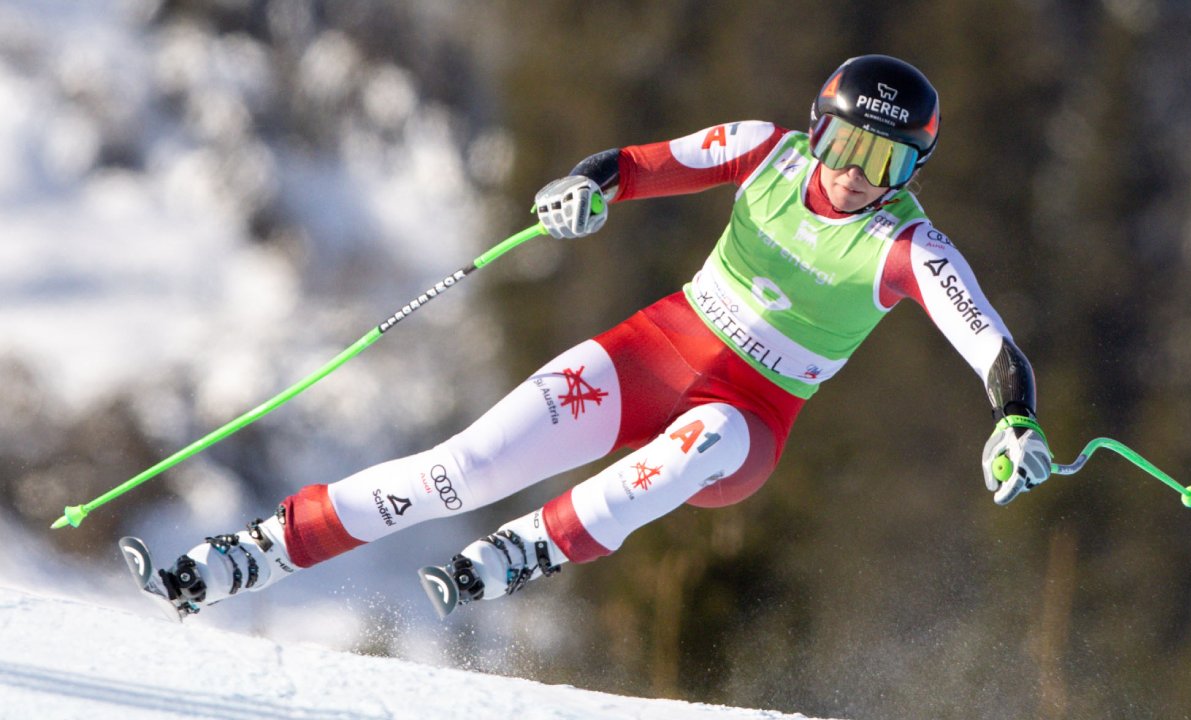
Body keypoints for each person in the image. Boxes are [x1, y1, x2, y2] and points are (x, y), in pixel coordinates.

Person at [149, 54, 1052, 619]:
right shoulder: (767, 151)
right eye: (850, 147)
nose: (860, 176)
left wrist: (1016, 421)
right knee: (458, 470)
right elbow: (637, 164)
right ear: (820, 128)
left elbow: (993, 346)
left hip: (749, 416)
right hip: (651, 351)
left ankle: (535, 545)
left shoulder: (906, 246)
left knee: (712, 438)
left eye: (888, 163)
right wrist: (583, 191)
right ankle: (255, 553)